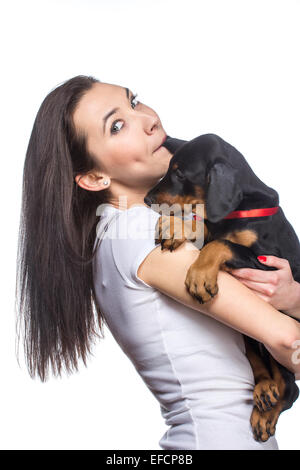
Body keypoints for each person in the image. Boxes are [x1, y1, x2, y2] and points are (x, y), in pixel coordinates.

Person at [16, 75, 300, 450]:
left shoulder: (123, 233)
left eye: (134, 102)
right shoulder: (140, 230)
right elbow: (288, 338)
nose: (148, 119)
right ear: (94, 178)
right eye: (117, 126)